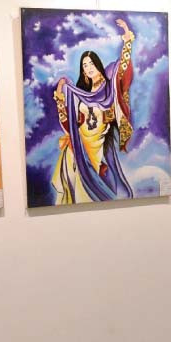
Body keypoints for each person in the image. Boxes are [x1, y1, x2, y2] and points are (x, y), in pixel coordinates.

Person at [51, 18, 134, 204]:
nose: (88, 68)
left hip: (99, 145)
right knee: (71, 181)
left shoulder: (110, 86)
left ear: (97, 64)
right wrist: (60, 97)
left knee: (96, 186)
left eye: (90, 64)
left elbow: (123, 68)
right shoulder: (81, 93)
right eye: (84, 65)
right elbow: (71, 121)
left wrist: (127, 40)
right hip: (79, 144)